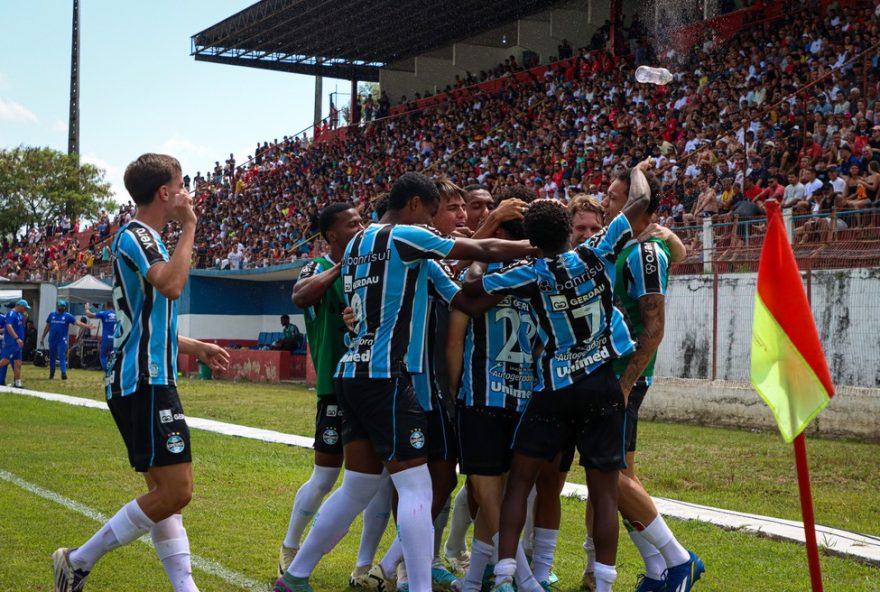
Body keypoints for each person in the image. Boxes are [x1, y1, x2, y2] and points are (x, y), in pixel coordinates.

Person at [275, 172, 535, 592]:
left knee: (357, 485)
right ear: (415, 205)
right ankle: (416, 587)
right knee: (417, 488)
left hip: (352, 374)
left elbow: (462, 299)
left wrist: (509, 281)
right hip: (389, 376)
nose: (433, 223)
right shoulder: (406, 237)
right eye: (432, 213)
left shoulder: (360, 244)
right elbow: (478, 247)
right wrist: (538, 246)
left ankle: (296, 575)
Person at [463, 167, 656, 592]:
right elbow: (639, 203)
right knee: (603, 491)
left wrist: (485, 253)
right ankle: (603, 583)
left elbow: (473, 289)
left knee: (520, 483)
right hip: (602, 385)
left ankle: (506, 575)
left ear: (533, 241)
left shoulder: (531, 272)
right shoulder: (596, 252)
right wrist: (636, 172)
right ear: (569, 232)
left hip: (553, 388)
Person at [53, 153, 230, 592]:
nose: (188, 193)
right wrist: (190, 226)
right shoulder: (140, 235)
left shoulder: (138, 238)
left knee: (165, 497)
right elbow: (172, 284)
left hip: (143, 377)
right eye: (182, 184)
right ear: (165, 193)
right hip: (144, 380)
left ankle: (185, 588)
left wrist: (196, 347)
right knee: (176, 491)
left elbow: (147, 320)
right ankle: (77, 560)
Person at [582, 169, 704, 592]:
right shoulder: (629, 246)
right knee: (621, 477)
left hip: (621, 377)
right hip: (610, 373)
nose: (607, 205)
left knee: (607, 471)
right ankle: (658, 572)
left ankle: (678, 559)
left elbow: (654, 327)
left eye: (615, 198)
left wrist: (626, 382)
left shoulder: (645, 254)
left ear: (641, 207)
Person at [280, 202, 393, 586]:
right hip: (334, 387)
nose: (361, 227)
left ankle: (363, 565)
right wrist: (341, 267)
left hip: (373, 383)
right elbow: (300, 296)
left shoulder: (370, 265)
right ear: (331, 235)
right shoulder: (317, 267)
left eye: (363, 221)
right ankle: (290, 547)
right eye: (353, 223)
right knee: (325, 478)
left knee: (378, 479)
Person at [447, 186, 544, 592]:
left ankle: (483, 579)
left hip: (484, 397)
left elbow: (456, 332)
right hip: (517, 398)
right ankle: (516, 579)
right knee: (497, 500)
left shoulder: (483, 278)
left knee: (494, 500)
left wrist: (451, 395)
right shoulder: (538, 276)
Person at [41, 300, 91, 380]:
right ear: (58, 306)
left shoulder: (67, 316)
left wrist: (87, 326)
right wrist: (43, 337)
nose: (62, 307)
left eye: (63, 306)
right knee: (52, 357)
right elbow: (47, 326)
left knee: (62, 355)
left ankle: (63, 373)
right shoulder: (52, 315)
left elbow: (77, 322)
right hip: (52, 339)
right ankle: (52, 373)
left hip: (62, 339)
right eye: (61, 306)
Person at [0, 299, 30, 388]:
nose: (25, 309)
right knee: (5, 361)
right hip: (12, 342)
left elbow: (20, 325)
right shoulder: (11, 314)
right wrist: (17, 338)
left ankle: (17, 383)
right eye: (25, 308)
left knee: (18, 363)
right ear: (19, 306)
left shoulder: (19, 315)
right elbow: (9, 327)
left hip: (18, 344)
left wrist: (24, 318)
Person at [84, 302, 117, 372]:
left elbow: (89, 315)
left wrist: (87, 308)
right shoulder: (117, 314)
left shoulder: (104, 313)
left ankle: (107, 371)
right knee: (113, 357)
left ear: (106, 306)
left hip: (106, 338)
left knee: (103, 356)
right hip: (115, 339)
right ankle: (113, 372)